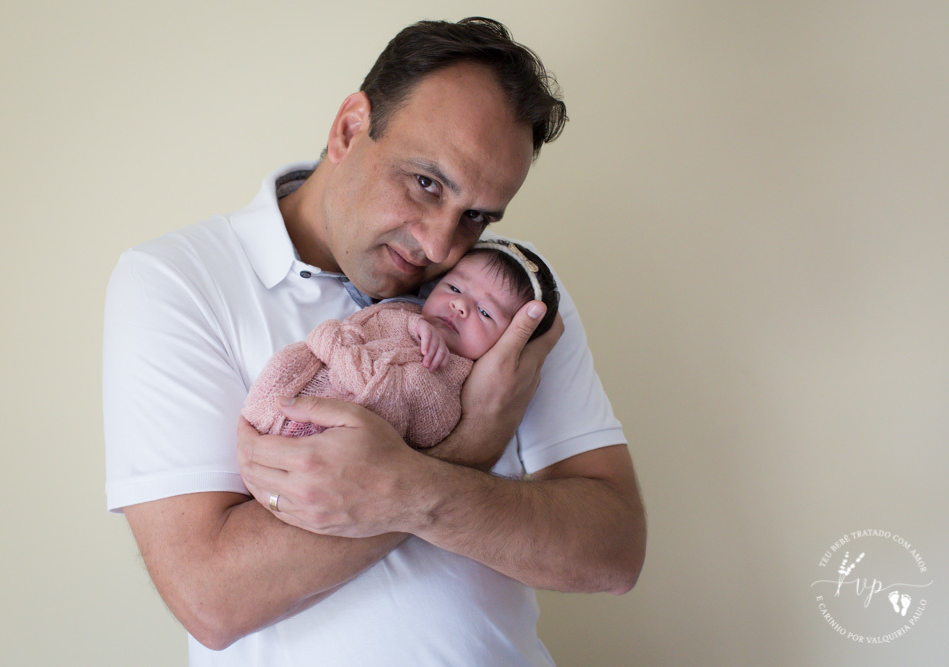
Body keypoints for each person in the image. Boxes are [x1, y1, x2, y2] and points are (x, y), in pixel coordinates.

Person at [104, 17, 645, 665]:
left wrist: (414, 485)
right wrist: (466, 446)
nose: (442, 246)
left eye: (476, 215)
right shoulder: (178, 280)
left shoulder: (508, 298)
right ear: (349, 128)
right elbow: (214, 598)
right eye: (427, 183)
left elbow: (613, 551)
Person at [242, 241, 560, 449]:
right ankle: (262, 415)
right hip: (312, 377)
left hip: (338, 432)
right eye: (453, 287)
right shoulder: (402, 311)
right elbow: (347, 330)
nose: (460, 305)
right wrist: (411, 323)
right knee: (289, 361)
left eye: (486, 312)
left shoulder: (459, 376)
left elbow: (431, 429)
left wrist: (404, 382)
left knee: (347, 453)